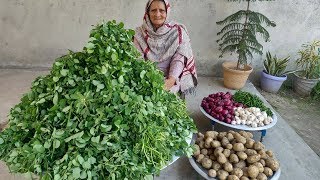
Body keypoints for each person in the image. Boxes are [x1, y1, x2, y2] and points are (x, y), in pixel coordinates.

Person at [134, 0, 198, 96]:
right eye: (153, 10)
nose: (157, 14)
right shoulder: (139, 33)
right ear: (147, 12)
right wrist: (149, 80)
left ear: (167, 12)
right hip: (146, 76)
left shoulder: (177, 32)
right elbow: (138, 59)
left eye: (162, 10)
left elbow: (178, 59)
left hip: (172, 76)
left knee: (170, 93)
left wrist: (171, 80)